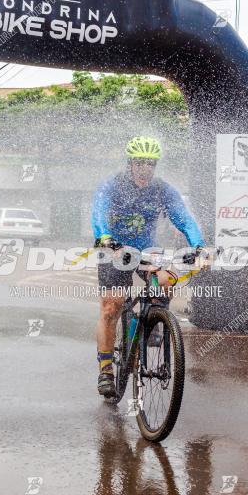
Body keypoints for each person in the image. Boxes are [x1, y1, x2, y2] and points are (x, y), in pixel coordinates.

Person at [91, 136, 205, 398]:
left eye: (151, 164)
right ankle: (106, 368)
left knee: (165, 282)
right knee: (112, 306)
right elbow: (98, 215)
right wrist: (105, 237)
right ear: (130, 163)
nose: (145, 169)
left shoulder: (162, 189)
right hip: (115, 249)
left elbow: (184, 218)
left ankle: (151, 323)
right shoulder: (112, 186)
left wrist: (199, 246)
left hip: (146, 250)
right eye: (140, 163)